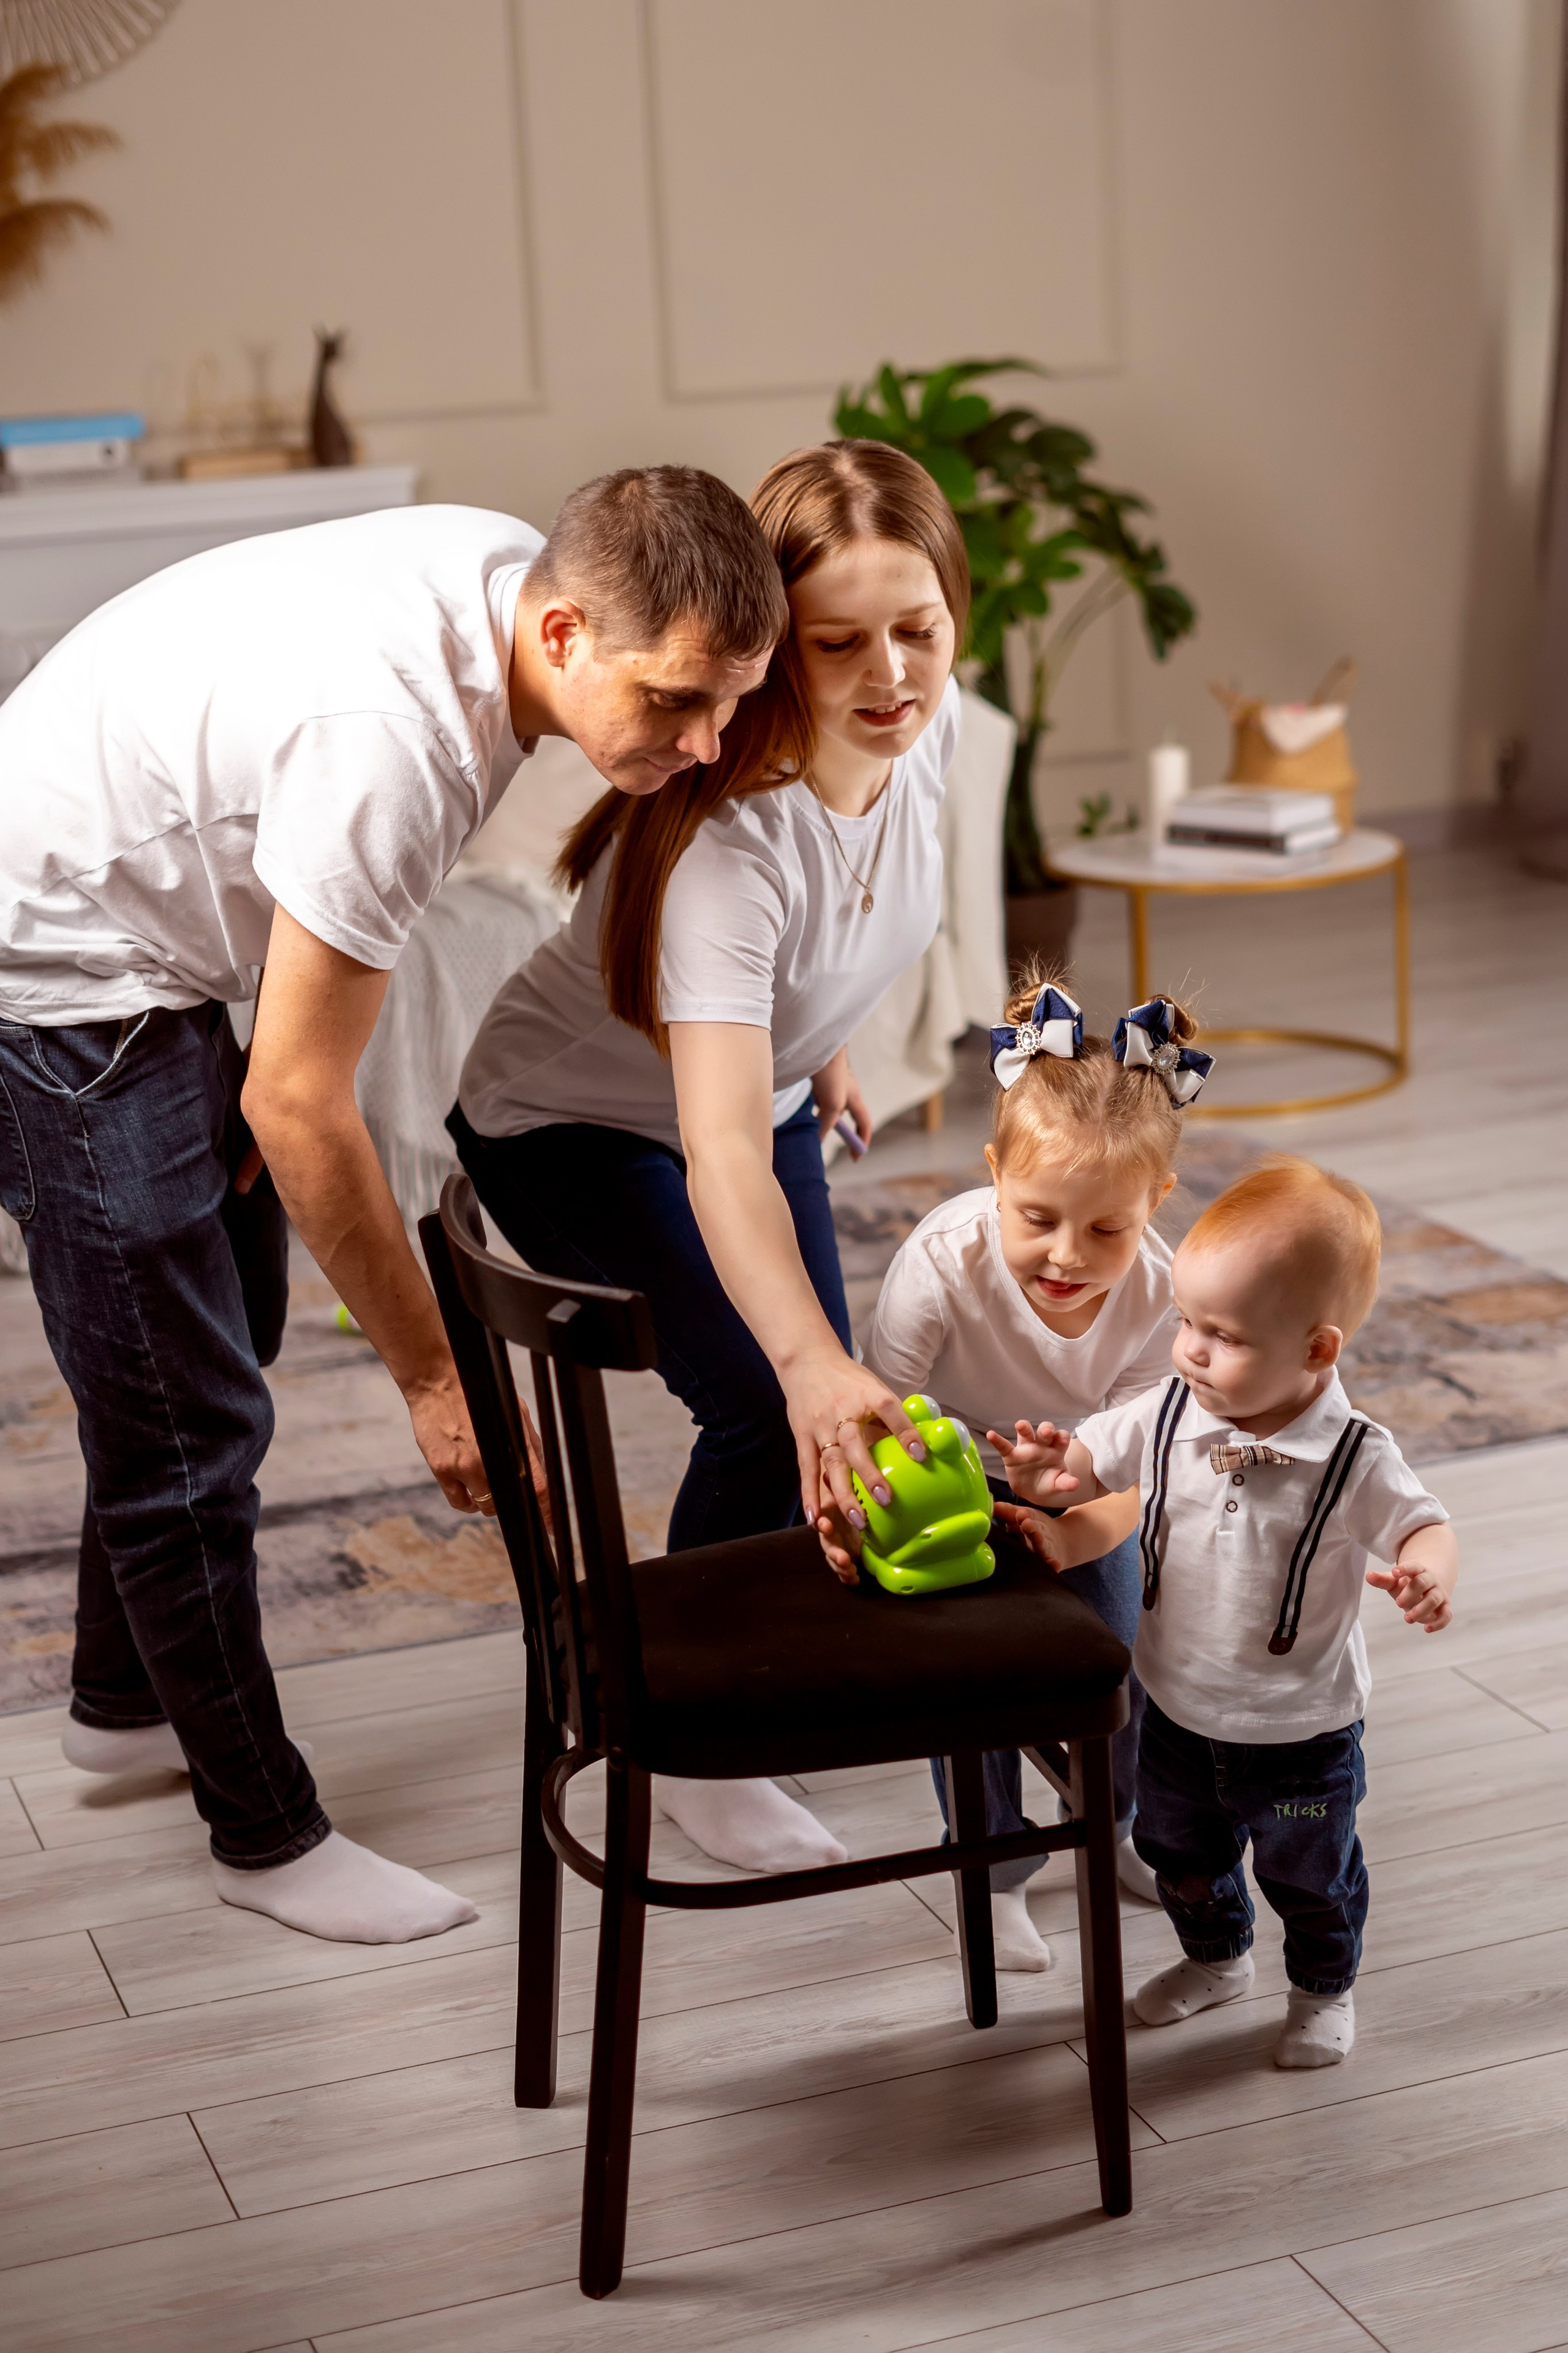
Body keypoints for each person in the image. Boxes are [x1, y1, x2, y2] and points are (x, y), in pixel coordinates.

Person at [0, 469, 785, 1943]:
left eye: (730, 704)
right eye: (680, 701)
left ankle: (119, 1705)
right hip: (51, 972)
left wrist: (261, 1081)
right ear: (562, 630)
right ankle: (264, 1833)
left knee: (231, 1315)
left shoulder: (501, 586)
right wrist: (435, 1377)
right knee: (188, 1431)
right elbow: (299, 1102)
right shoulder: (402, 742)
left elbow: (288, 1083)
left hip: (142, 926)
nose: (706, 744)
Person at [451, 439, 968, 1876]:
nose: (891, 675)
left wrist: (833, 1033)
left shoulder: (930, 738)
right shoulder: (726, 845)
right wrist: (805, 1364)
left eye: (916, 629)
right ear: (769, 655)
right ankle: (680, 1741)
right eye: (838, 642)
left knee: (827, 1387)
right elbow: (718, 1146)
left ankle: (770, 1652)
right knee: (767, 1392)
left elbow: (838, 931)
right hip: (569, 1124)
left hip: (762, 1091)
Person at [997, 1155, 1458, 2068]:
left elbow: (1423, 1522)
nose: (1195, 1350)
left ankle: (1323, 1988)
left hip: (1301, 1733)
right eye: (1186, 1322)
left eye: (1227, 1335)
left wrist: (1425, 1572)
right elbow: (1087, 1465)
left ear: (1317, 1350)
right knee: (1181, 1856)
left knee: (1307, 1873)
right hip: (1172, 1708)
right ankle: (1217, 1960)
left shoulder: (1354, 1456)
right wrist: (1049, 1480)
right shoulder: (1170, 1411)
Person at [818, 981, 1210, 1968]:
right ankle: (989, 1864)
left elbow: (1142, 1465)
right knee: (973, 1666)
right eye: (1036, 1218)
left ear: (1155, 1205)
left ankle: (1116, 1820)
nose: (1067, 1257)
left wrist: (1069, 1500)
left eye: (1107, 1231)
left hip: (1083, 1480)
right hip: (932, 1474)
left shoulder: (1163, 1294)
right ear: (994, 1174)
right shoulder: (941, 1265)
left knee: (1123, 1638)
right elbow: (874, 1420)